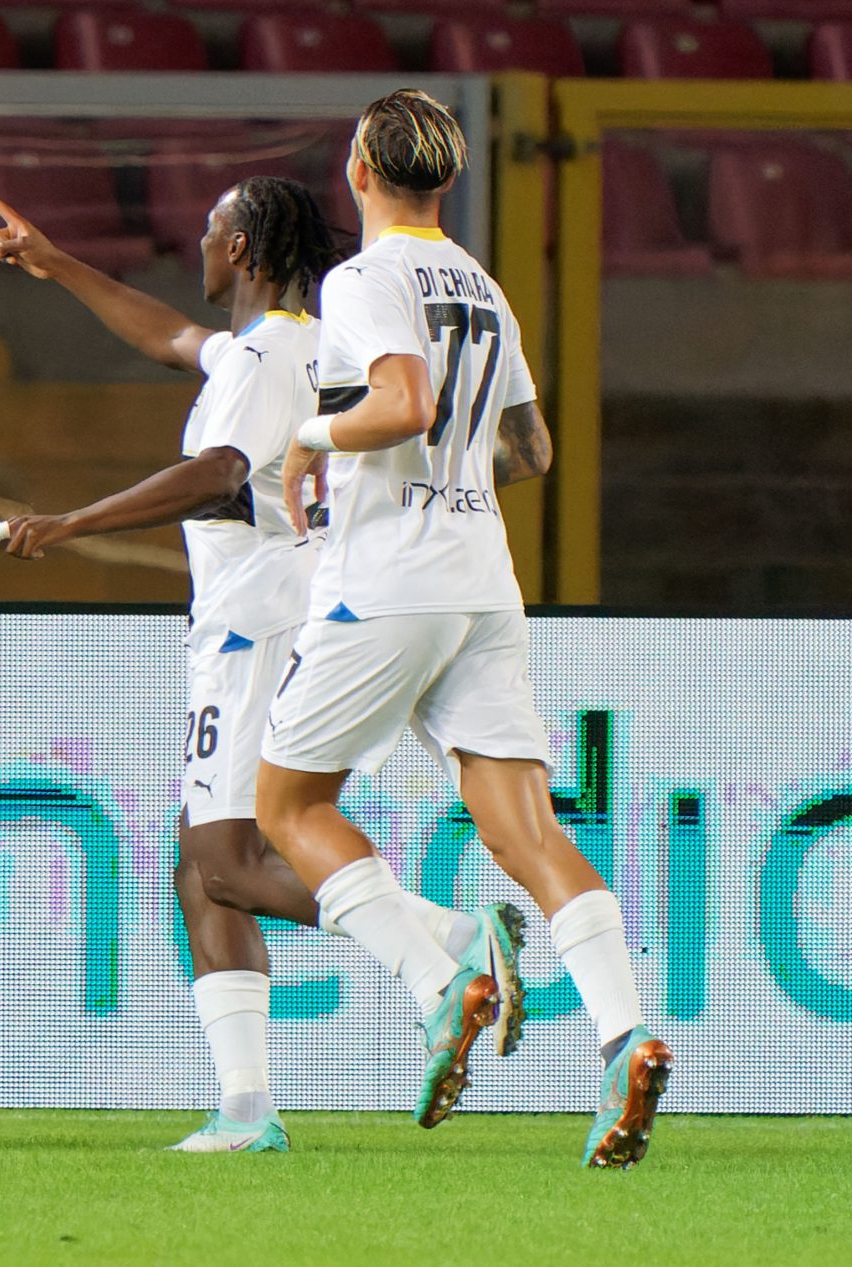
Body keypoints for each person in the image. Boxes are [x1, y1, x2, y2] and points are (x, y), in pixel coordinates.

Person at [0, 178, 522, 1153]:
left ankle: (442, 952)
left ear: (244, 248)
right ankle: (245, 1104)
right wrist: (55, 265)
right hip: (286, 612)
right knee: (203, 867)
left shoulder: (265, 357)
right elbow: (168, 337)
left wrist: (69, 523)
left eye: (213, 226)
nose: (199, 239)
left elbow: (219, 472)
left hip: (256, 625)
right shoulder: (291, 346)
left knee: (227, 860)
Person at [255, 89, 669, 1169]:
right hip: (483, 581)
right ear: (447, 177)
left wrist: (310, 441)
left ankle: (439, 979)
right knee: (525, 833)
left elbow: (403, 404)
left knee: (287, 805)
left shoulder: (361, 280)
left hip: (387, 582)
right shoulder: (483, 286)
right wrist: (446, 480)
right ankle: (622, 1036)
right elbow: (529, 451)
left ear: (359, 168)